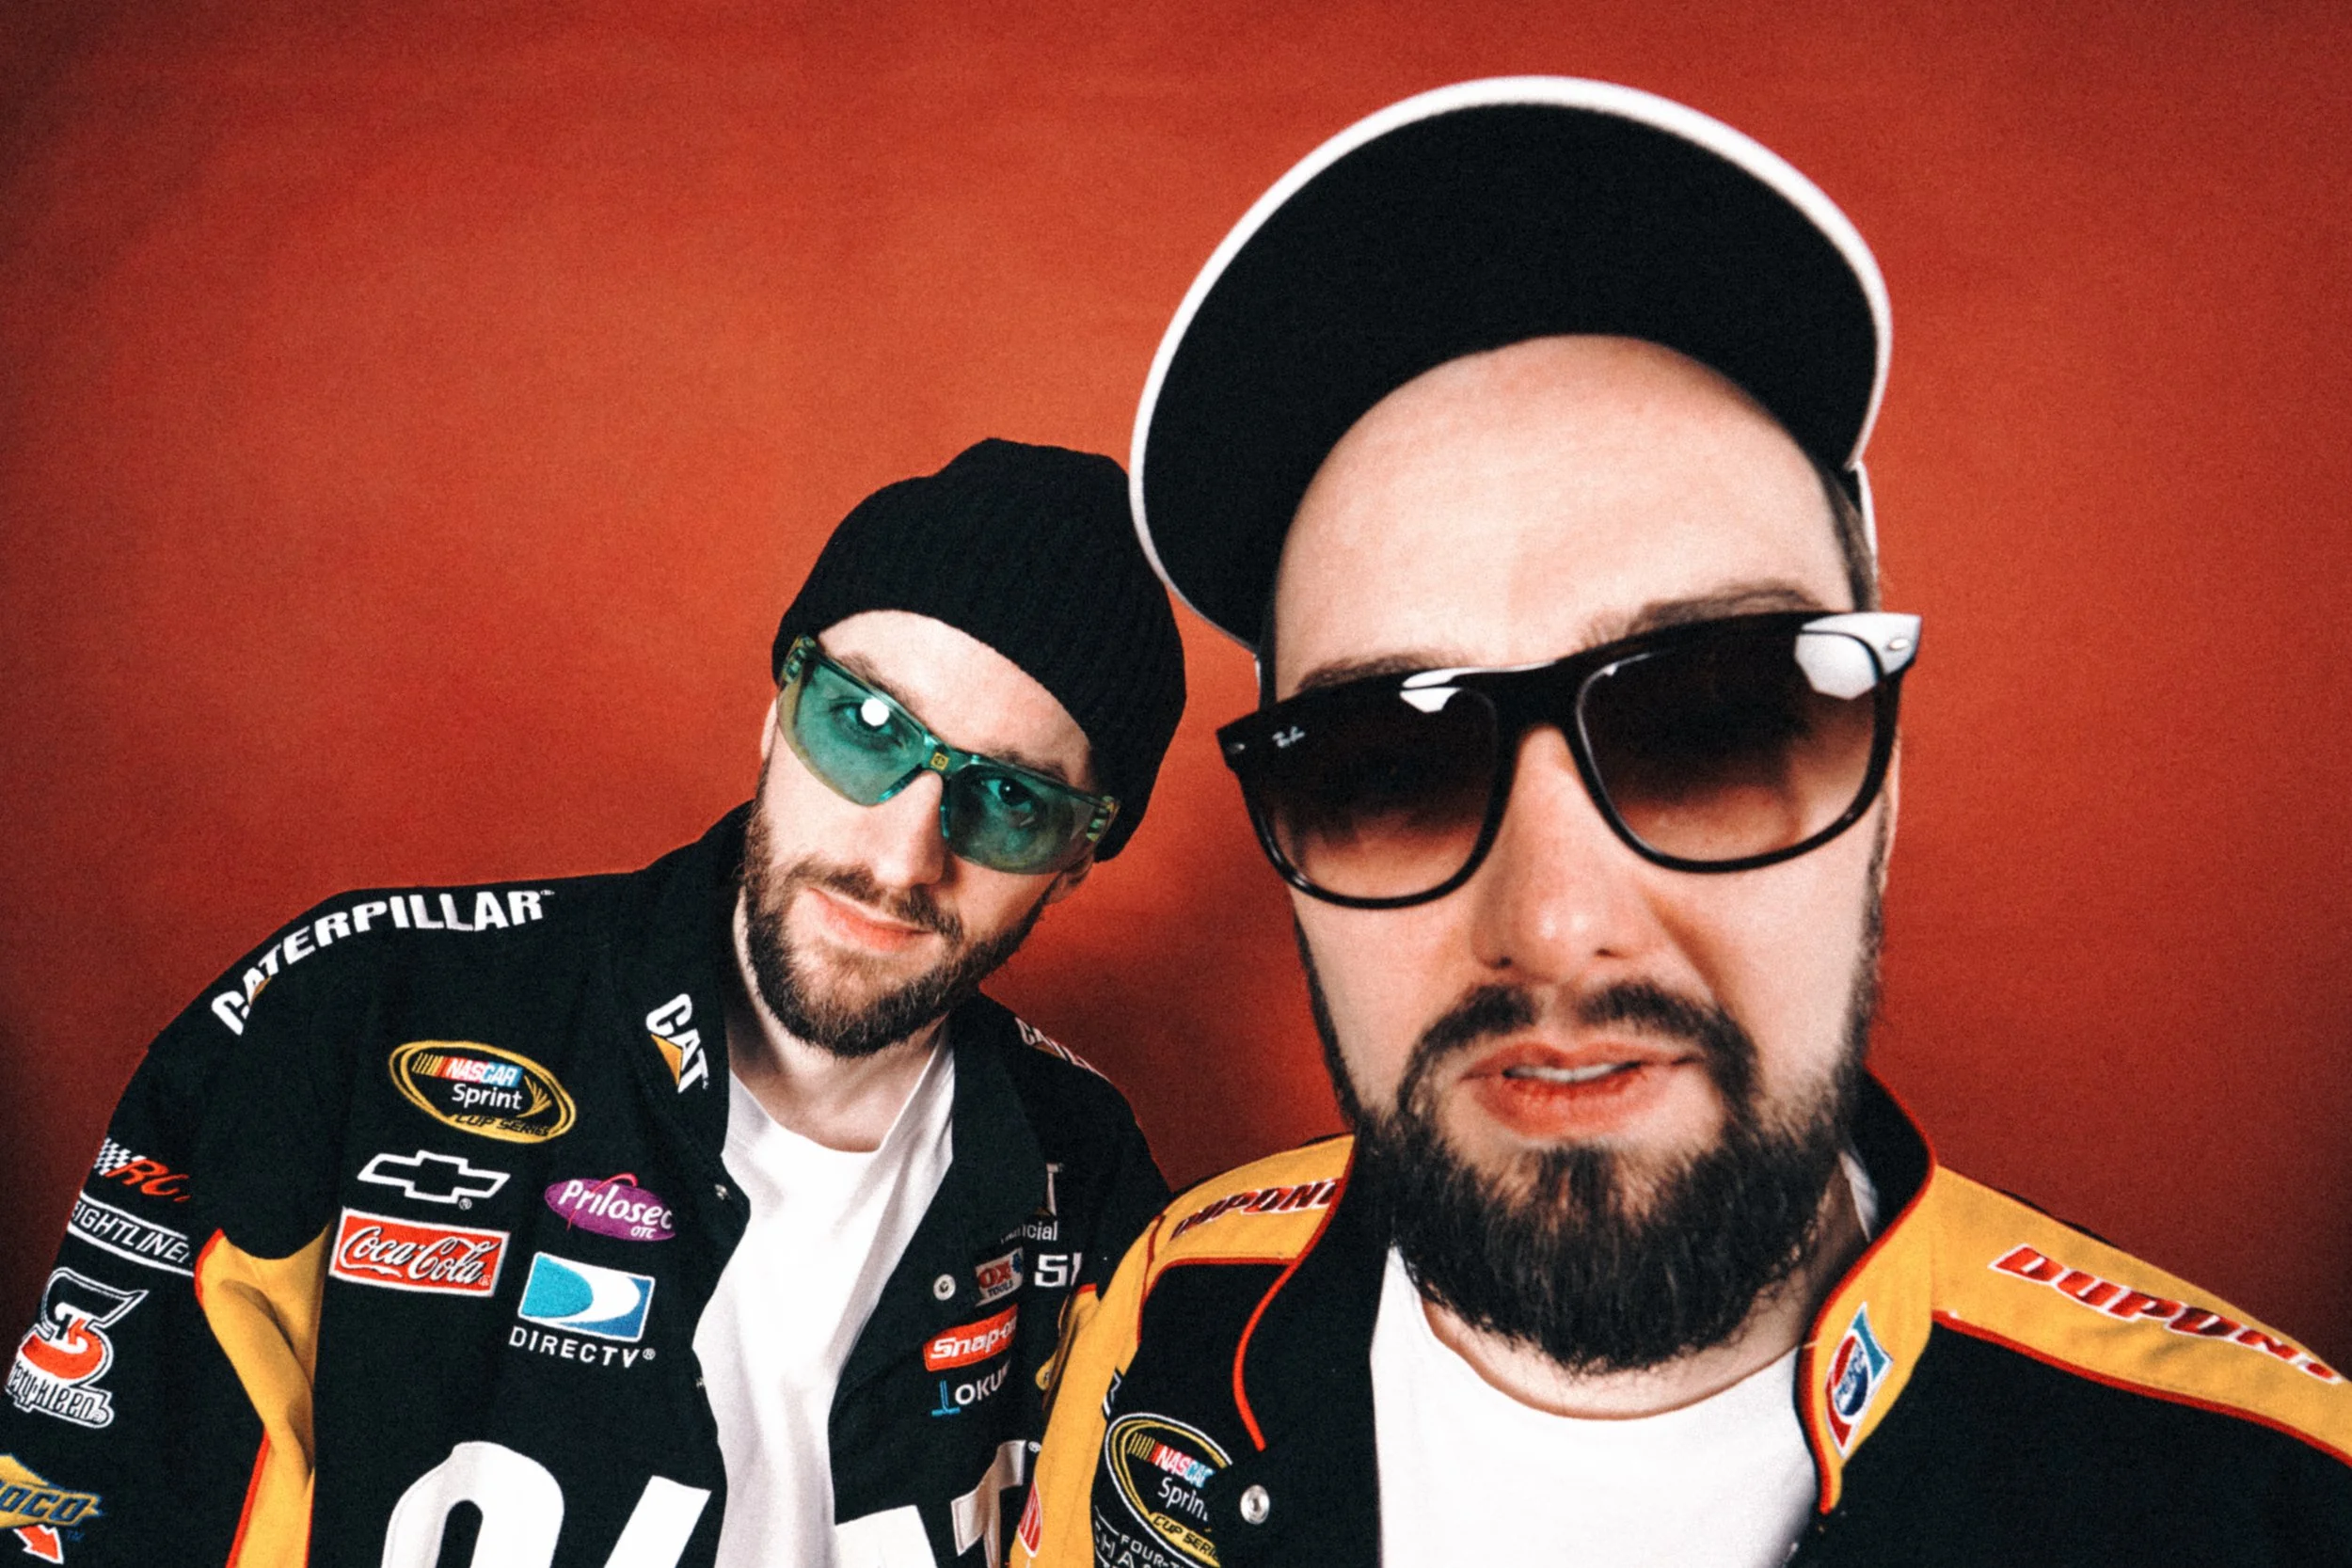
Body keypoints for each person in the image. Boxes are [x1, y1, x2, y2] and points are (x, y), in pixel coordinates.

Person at [1016, 79, 2352, 1567]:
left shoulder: (2276, 1500)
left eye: (1706, 723)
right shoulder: (1169, 1319)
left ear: (1882, 790)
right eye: (1385, 762)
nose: (1557, 916)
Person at [2, 438, 1183, 1568]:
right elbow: (74, 1497)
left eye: (1010, 802)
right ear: (777, 706)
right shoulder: (350, 1011)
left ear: (1079, 854)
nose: (903, 853)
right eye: (867, 726)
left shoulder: (1083, 1168)